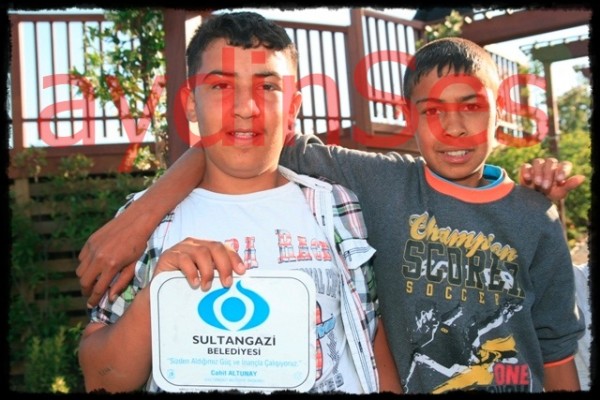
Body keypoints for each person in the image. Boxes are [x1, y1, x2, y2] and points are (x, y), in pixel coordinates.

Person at [76, 34, 586, 393]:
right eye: (432, 110)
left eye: (472, 106)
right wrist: (142, 215)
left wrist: (534, 197)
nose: (453, 127)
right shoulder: (376, 182)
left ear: (501, 112)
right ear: (408, 116)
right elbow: (239, 138)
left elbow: (557, 347)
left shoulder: (532, 216)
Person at [77, 11, 401, 394]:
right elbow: (102, 378)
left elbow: (369, 339)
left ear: (293, 107)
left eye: (268, 86)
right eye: (220, 86)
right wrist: (160, 292)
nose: (246, 107)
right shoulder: (147, 223)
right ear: (191, 103)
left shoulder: (336, 206)